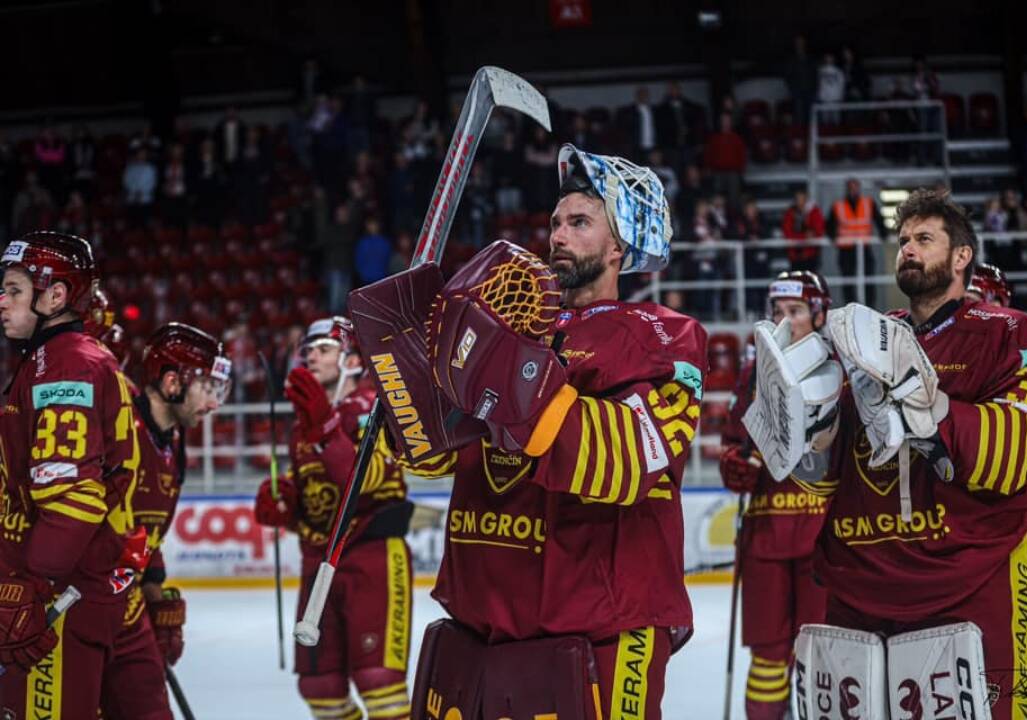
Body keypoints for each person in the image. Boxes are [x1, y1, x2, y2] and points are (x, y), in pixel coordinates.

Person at [398, 145, 708, 719]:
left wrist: (510, 369)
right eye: (556, 223)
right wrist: (411, 375)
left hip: (600, 631)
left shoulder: (660, 336)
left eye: (581, 222)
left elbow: (627, 464)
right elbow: (434, 455)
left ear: (619, 248)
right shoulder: (518, 327)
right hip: (486, 625)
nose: (558, 235)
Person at [804, 189, 1027, 719]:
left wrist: (935, 408)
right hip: (863, 578)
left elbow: (1013, 456)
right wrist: (807, 426)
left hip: (966, 577)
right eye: (902, 242)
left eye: (924, 239)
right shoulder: (868, 335)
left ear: (961, 255)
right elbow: (835, 466)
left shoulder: (1010, 332)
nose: (908, 251)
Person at [0, 231, 140, 716]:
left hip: (58, 600)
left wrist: (35, 589)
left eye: (16, 289)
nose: (2, 300)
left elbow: (74, 499)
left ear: (55, 296)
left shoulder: (69, 364)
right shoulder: (43, 360)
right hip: (51, 590)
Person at [254, 317, 414, 720]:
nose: (311, 356)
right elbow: (312, 495)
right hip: (319, 561)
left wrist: (326, 427)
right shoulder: (302, 422)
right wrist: (285, 506)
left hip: (371, 556)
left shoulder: (374, 407)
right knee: (319, 685)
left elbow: (373, 479)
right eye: (308, 349)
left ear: (354, 360)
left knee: (379, 682)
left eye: (324, 349)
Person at [97, 322, 231, 719]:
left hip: (127, 605)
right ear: (173, 382)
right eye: (207, 388)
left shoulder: (173, 443)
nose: (212, 404)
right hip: (85, 604)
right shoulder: (118, 432)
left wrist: (154, 590)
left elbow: (148, 537)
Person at [719, 271, 834, 720]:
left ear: (818, 314)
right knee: (767, 655)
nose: (785, 321)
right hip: (765, 534)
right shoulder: (753, 373)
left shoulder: (840, 370)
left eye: (796, 312)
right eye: (777, 313)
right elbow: (734, 441)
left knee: (821, 652)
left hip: (823, 536)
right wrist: (733, 464)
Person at [965, 263, 1027, 717]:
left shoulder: (1026, 358)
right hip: (963, 529)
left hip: (1019, 528)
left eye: (985, 300)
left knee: (1023, 639)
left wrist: (1003, 489)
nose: (976, 310)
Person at [828, 177, 885, 306]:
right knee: (848, 282)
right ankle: (851, 308)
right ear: (847, 189)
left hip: (864, 248)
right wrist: (833, 237)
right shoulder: (838, 206)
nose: (853, 190)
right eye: (850, 188)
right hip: (846, 250)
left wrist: (883, 233)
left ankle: (870, 308)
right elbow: (829, 225)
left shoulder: (868, 203)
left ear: (859, 188)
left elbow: (878, 219)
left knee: (868, 280)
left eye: (855, 187)